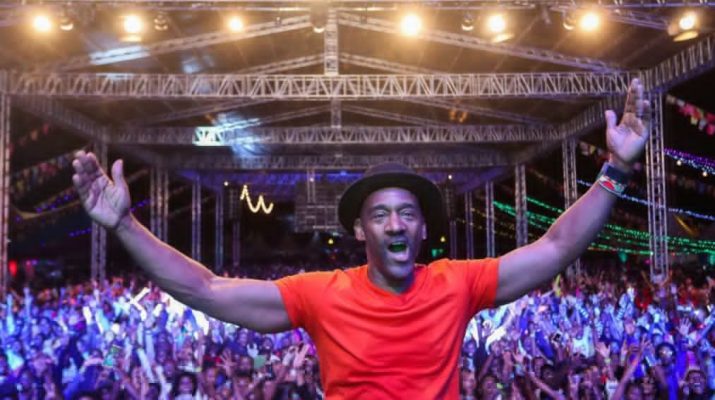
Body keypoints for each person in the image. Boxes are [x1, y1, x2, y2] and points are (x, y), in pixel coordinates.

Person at [71, 78, 651, 398]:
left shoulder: (458, 283)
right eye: (380, 215)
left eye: (407, 214)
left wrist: (617, 171)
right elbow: (206, 289)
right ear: (359, 229)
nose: (395, 225)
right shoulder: (321, 293)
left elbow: (555, 248)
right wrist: (125, 225)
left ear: (422, 228)